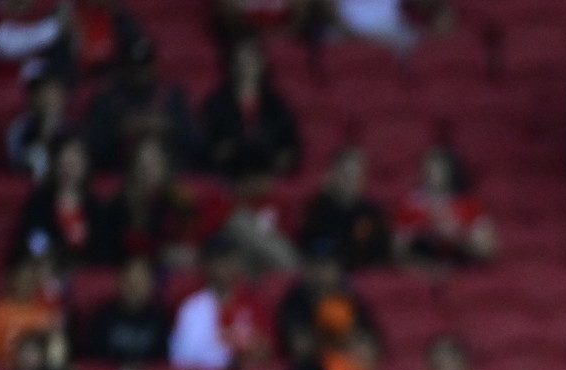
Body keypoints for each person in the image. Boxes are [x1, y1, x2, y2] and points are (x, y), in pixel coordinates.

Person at [82, 35, 197, 174]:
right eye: (133, 67)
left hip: (169, 175)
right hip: (119, 174)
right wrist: (120, 130)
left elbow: (193, 143)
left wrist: (166, 127)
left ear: (154, 65)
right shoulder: (107, 99)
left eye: (144, 67)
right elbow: (91, 148)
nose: (138, 73)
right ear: (124, 67)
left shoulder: (172, 96)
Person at [95, 137, 206, 271]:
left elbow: (190, 239)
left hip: (172, 270)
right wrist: (159, 253)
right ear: (134, 167)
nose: (148, 168)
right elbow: (114, 249)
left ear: (164, 164)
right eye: (143, 163)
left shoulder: (179, 199)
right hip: (131, 270)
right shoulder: (119, 204)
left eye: (154, 161)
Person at [201, 38, 302, 180]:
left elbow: (290, 147)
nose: (246, 67)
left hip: (269, 176)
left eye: (251, 61)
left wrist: (281, 158)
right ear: (232, 66)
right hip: (228, 176)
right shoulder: (217, 104)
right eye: (241, 61)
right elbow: (209, 147)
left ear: (262, 64)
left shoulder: (278, 106)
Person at [170, 240, 273, 370]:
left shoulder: (253, 302)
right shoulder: (193, 307)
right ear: (208, 266)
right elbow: (183, 359)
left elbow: (266, 348)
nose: (225, 266)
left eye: (229, 260)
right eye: (219, 261)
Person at [12, 136, 108, 269]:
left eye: (75, 163)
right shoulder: (40, 203)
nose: (69, 168)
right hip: (46, 270)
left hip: (85, 274)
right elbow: (32, 240)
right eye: (65, 161)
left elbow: (102, 251)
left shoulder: (95, 208)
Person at [394, 146, 496, 265]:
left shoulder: (467, 204)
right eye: (428, 169)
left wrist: (459, 236)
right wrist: (417, 233)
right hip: (423, 266)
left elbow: (489, 249)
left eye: (439, 170)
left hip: (463, 266)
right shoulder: (411, 205)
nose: (432, 175)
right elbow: (396, 250)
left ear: (451, 172)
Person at [299, 148, 394, 271]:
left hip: (359, 274)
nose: (350, 180)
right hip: (320, 270)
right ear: (334, 175)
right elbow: (308, 246)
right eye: (346, 174)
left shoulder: (372, 213)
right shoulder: (319, 207)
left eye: (356, 175)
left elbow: (382, 254)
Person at [274, 246, 378, 357]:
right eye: (317, 266)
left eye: (328, 266)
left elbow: (373, 340)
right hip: (314, 369)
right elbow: (300, 347)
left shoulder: (348, 297)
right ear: (307, 270)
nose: (322, 273)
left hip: (351, 364)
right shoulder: (295, 302)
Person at [0, 255, 64, 367]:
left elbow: (56, 354)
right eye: (23, 277)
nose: (26, 283)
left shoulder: (45, 314)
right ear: (12, 279)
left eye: (30, 279)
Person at [83, 256, 172, 365]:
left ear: (151, 286)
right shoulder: (103, 319)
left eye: (140, 282)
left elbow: (163, 366)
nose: (134, 287)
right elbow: (94, 364)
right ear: (120, 282)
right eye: (130, 281)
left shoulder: (160, 321)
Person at [8, 73, 75, 181]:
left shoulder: (71, 127)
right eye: (45, 93)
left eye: (55, 93)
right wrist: (46, 132)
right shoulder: (21, 128)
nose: (50, 99)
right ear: (34, 98)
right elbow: (18, 162)